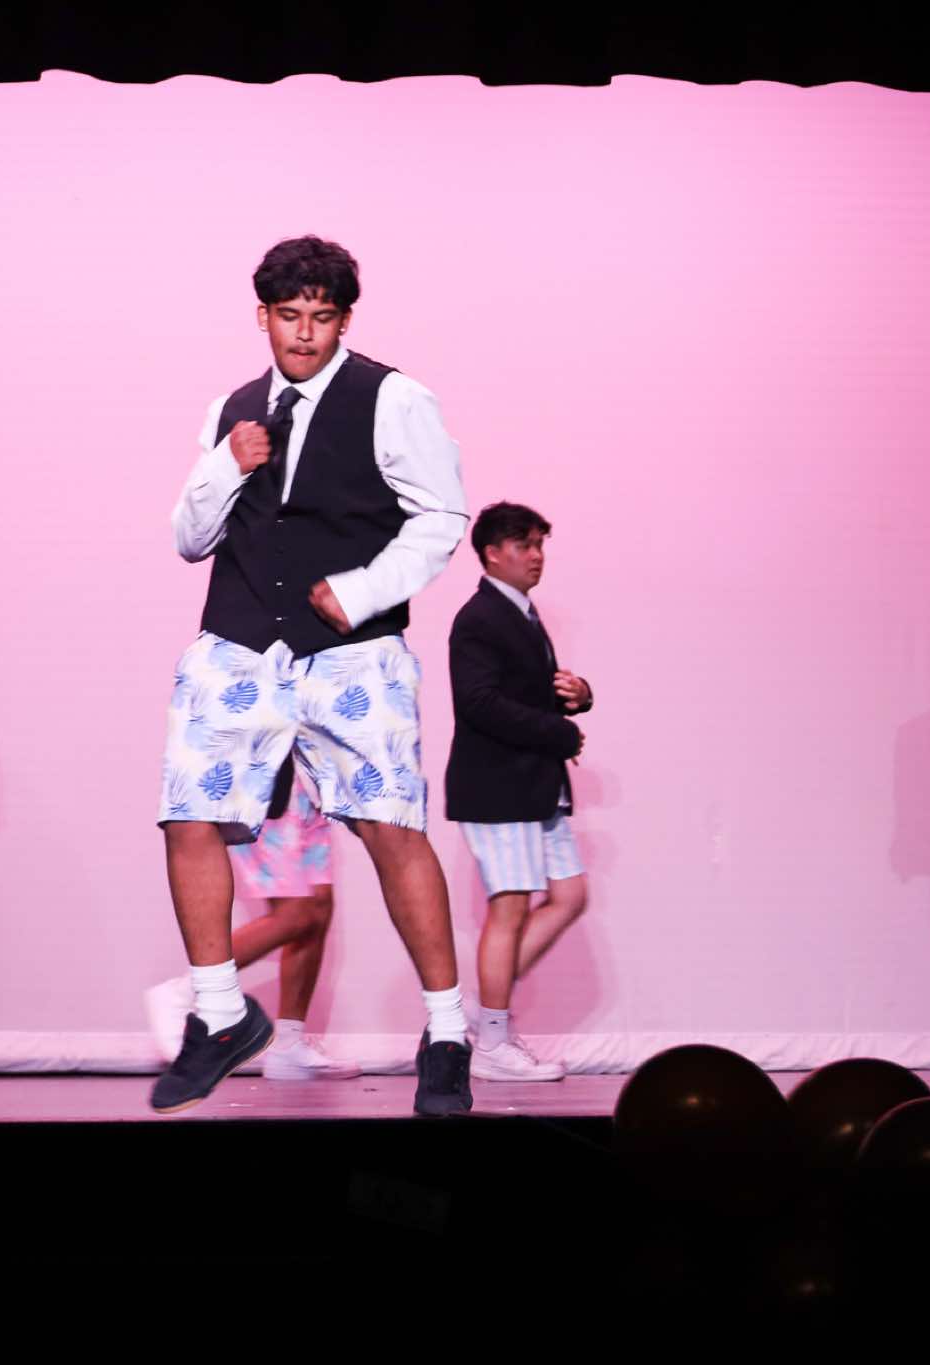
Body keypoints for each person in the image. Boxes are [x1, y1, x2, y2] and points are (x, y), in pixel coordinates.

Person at [154, 235, 472, 1115]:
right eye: (289, 316)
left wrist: (364, 589)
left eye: (321, 318)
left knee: (389, 827)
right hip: (241, 639)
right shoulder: (232, 409)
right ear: (262, 315)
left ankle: (448, 1033)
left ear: (344, 319)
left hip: (351, 648)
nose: (303, 333)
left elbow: (442, 516)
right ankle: (221, 1014)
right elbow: (189, 539)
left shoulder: (393, 398)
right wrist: (227, 463)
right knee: (189, 813)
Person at [445, 501, 594, 1082]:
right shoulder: (480, 618)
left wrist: (579, 696)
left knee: (569, 895)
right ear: (491, 553)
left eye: (539, 545)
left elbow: (526, 692)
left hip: (532, 784)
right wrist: (559, 732)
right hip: (497, 785)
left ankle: (479, 1016)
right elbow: (478, 703)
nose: (537, 556)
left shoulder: (521, 613)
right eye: (525, 545)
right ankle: (492, 1042)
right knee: (508, 908)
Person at [144, 759, 359, 1080]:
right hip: (263, 777)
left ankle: (289, 1045)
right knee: (297, 913)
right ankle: (181, 992)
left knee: (318, 909)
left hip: (310, 780)